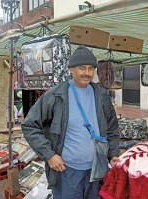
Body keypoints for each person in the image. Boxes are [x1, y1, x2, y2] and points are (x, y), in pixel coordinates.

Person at [21, 45, 120, 199]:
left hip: (97, 170)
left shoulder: (101, 96)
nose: (87, 73)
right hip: (67, 171)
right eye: (82, 68)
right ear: (71, 70)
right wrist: (49, 155)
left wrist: (113, 153)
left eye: (91, 69)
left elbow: (112, 127)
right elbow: (29, 125)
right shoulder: (55, 95)